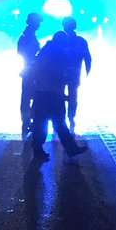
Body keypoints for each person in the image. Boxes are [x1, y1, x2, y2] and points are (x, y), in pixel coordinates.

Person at [28, 32, 89, 160]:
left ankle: (40, 149)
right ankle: (70, 149)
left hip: (44, 92)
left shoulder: (47, 51)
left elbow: (36, 70)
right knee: (57, 122)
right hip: (51, 93)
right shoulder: (57, 53)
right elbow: (59, 73)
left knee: (43, 123)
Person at [58, 16, 93, 132]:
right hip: (73, 74)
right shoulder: (80, 41)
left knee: (61, 96)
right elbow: (87, 57)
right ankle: (70, 118)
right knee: (72, 96)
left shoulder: (61, 40)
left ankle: (64, 119)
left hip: (62, 74)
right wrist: (88, 70)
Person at [17, 12, 43, 136]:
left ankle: (27, 123)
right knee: (29, 97)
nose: (39, 25)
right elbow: (25, 53)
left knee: (28, 97)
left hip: (29, 70)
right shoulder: (28, 36)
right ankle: (27, 123)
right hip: (30, 71)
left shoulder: (27, 35)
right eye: (37, 22)